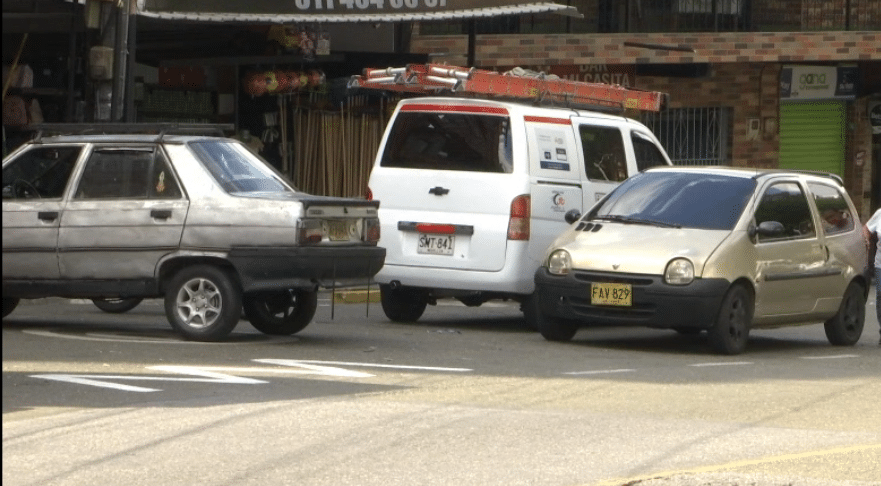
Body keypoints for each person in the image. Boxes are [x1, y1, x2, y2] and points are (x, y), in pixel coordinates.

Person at [864, 208, 881, 345]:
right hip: (880, 264)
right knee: (880, 295)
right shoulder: (880, 214)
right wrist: (866, 242)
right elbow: (867, 229)